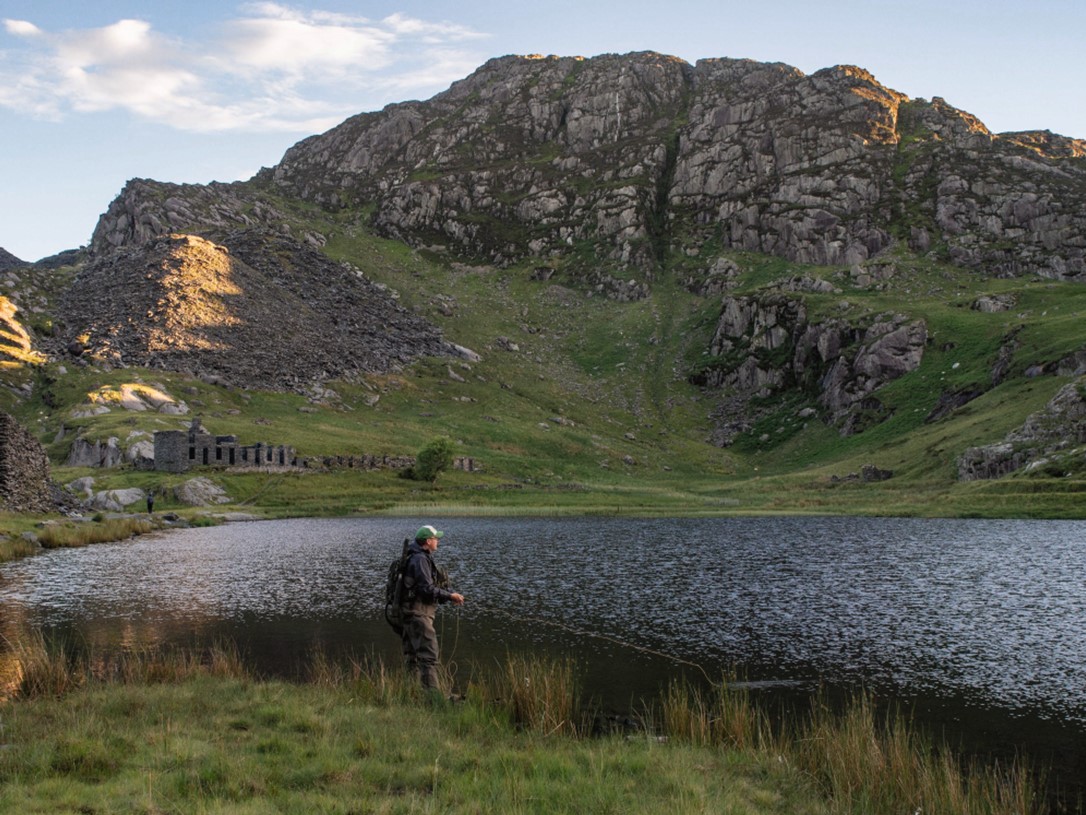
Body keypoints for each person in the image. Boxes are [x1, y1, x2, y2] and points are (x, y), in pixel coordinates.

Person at [400, 524, 465, 692]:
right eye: (436, 538)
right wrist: (450, 596)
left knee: (412, 657)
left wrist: (450, 594)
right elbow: (426, 589)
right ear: (428, 541)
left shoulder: (417, 556)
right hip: (418, 614)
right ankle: (433, 699)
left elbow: (430, 586)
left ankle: (411, 695)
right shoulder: (420, 559)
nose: (438, 541)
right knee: (428, 656)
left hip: (410, 613)